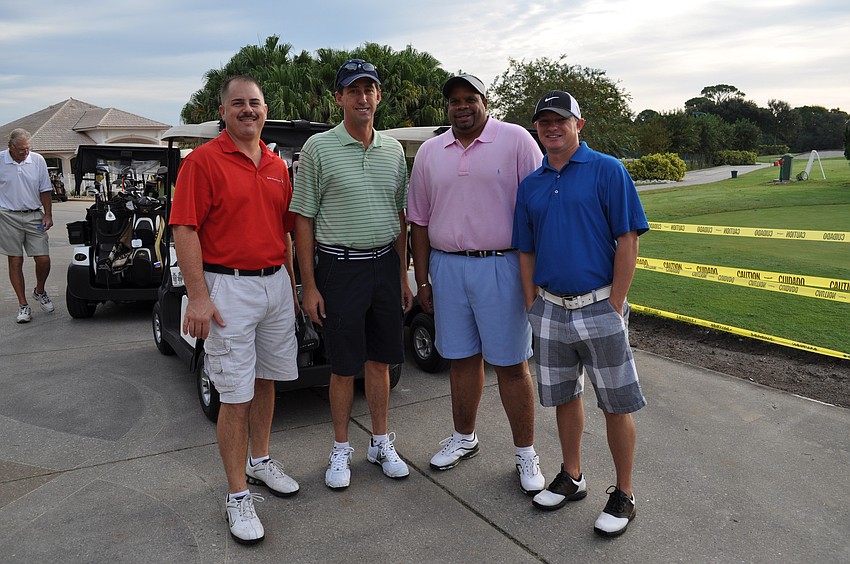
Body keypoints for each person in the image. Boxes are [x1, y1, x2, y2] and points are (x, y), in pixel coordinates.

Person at [169, 75, 301, 545]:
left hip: (274, 285)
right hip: (227, 288)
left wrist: (290, 283)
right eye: (238, 103)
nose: (248, 110)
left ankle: (260, 460)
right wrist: (199, 296)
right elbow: (184, 229)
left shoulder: (276, 164)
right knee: (235, 394)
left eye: (256, 103)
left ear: (265, 110)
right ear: (222, 111)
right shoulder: (202, 162)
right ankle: (237, 495)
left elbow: (284, 230)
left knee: (267, 380)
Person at [513, 90, 649, 537]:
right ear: (537, 128)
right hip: (550, 308)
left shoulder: (607, 170)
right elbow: (526, 249)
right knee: (565, 398)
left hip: (598, 305)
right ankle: (572, 476)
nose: (552, 127)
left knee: (616, 403)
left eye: (560, 120)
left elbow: (628, 240)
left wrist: (615, 304)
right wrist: (533, 303)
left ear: (578, 124)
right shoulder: (531, 184)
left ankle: (624, 493)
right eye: (544, 121)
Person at [407, 74, 546, 495]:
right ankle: (464, 437)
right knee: (462, 359)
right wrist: (424, 277)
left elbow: (538, 208)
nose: (461, 106)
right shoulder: (431, 152)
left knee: (510, 364)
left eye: (470, 99)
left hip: (502, 265)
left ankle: (525, 453)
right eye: (453, 101)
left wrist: (534, 275)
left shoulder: (517, 140)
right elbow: (420, 221)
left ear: (485, 101)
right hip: (448, 267)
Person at [291, 59, 412, 490]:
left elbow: (400, 216)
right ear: (339, 98)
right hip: (338, 269)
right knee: (343, 366)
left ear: (379, 96)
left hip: (383, 266)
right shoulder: (319, 148)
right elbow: (302, 218)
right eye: (353, 90)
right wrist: (309, 285)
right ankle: (341, 447)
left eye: (370, 90)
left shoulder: (394, 150)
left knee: (380, 361)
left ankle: (380, 442)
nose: (362, 98)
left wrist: (401, 275)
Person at [0, 129, 55, 323]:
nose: (25, 153)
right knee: (15, 260)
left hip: (33, 215)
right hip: (8, 216)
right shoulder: (1, 160)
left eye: (28, 149)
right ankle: (23, 305)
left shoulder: (37, 160)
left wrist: (48, 214)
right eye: (22, 150)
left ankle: (39, 290)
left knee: (43, 259)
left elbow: (45, 189)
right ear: (10, 147)